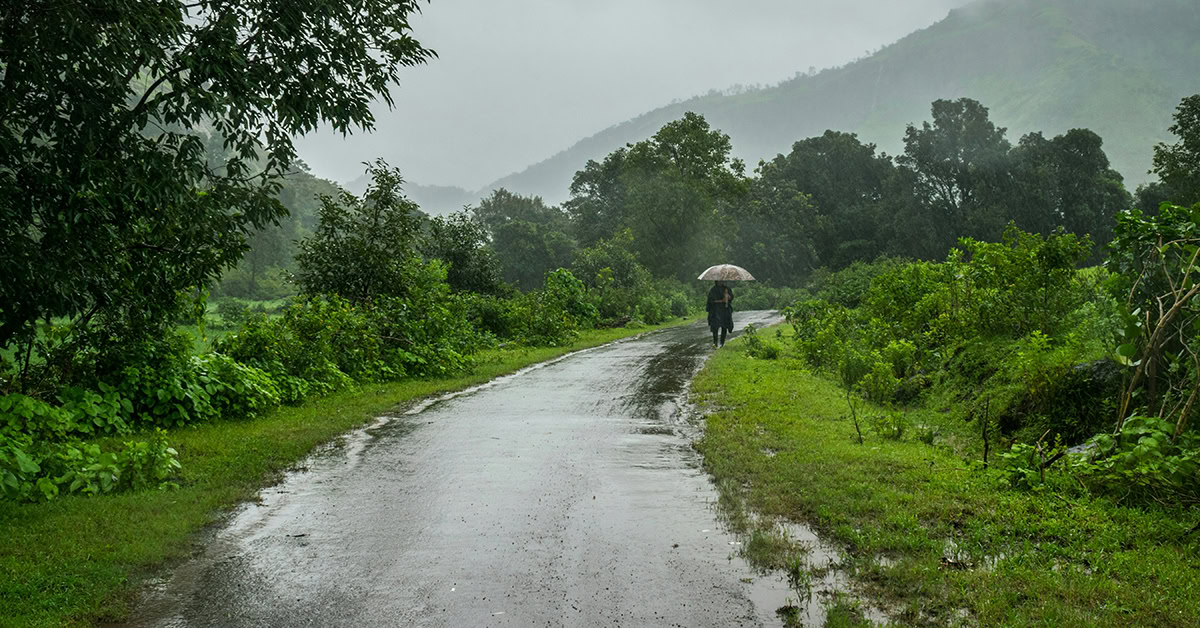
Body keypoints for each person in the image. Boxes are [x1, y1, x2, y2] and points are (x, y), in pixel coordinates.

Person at [706, 280, 734, 347]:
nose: (720, 282)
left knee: (724, 327)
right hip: (715, 311)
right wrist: (721, 301)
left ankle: (722, 343)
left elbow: (731, 297)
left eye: (722, 281)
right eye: (719, 281)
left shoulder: (727, 289)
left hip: (725, 310)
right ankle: (715, 342)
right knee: (715, 327)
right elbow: (710, 300)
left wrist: (728, 297)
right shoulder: (713, 290)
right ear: (716, 281)